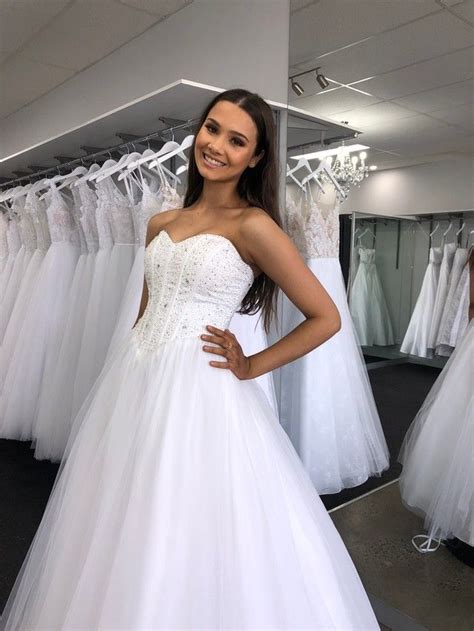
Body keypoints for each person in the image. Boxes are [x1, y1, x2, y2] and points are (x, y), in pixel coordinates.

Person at [1, 89, 379, 630]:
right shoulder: (161, 222)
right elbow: (145, 312)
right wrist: (124, 371)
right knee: (122, 516)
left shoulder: (254, 227)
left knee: (193, 518)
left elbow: (326, 317)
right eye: (212, 129)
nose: (217, 146)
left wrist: (252, 364)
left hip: (202, 392)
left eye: (236, 140)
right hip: (135, 383)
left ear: (256, 157)